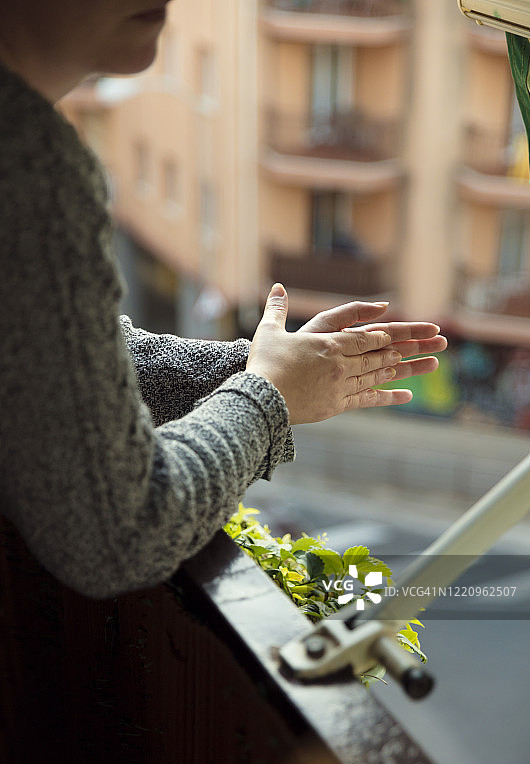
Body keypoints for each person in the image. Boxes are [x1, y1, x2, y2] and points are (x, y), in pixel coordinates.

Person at [0, 0, 447, 599]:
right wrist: (270, 395)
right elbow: (120, 532)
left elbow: (54, 361)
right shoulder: (27, 167)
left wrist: (268, 366)